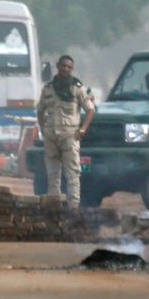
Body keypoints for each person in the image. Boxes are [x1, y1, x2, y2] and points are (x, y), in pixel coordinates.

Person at [36, 55, 95, 208]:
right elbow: (40, 110)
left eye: (69, 67)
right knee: (53, 173)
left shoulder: (77, 88)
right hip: (51, 135)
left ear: (72, 69)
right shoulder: (48, 88)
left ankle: (73, 208)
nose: (66, 69)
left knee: (73, 173)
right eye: (63, 66)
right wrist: (43, 129)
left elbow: (90, 110)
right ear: (58, 66)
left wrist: (82, 129)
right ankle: (54, 206)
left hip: (70, 135)